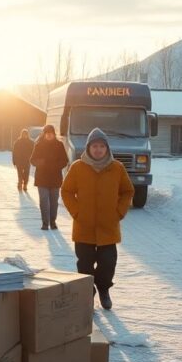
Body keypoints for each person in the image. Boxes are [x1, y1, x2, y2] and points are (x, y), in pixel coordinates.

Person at [61, 128, 133, 310]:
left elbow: (127, 191)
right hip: (83, 227)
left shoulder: (117, 168)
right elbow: (66, 191)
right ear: (88, 148)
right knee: (84, 264)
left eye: (102, 146)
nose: (98, 150)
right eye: (95, 146)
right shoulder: (77, 167)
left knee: (108, 264)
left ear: (107, 148)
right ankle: (88, 294)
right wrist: (76, 212)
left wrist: (119, 212)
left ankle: (103, 289)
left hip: (108, 228)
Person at [30, 124, 70, 229]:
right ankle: (45, 223)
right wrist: (42, 163)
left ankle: (53, 221)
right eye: (47, 133)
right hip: (42, 178)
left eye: (50, 133)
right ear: (44, 134)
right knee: (43, 201)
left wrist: (56, 166)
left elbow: (65, 160)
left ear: (54, 134)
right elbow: (32, 160)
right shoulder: (38, 145)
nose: (48, 135)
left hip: (55, 178)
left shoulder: (59, 145)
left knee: (54, 202)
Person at [12, 128, 34, 192]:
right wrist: (14, 160)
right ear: (21, 134)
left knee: (26, 173)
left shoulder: (31, 142)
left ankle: (25, 185)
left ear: (27, 135)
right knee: (20, 173)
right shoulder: (17, 142)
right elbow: (14, 152)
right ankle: (20, 183)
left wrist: (32, 158)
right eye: (23, 134)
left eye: (26, 134)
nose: (25, 136)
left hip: (27, 160)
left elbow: (33, 151)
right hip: (20, 161)